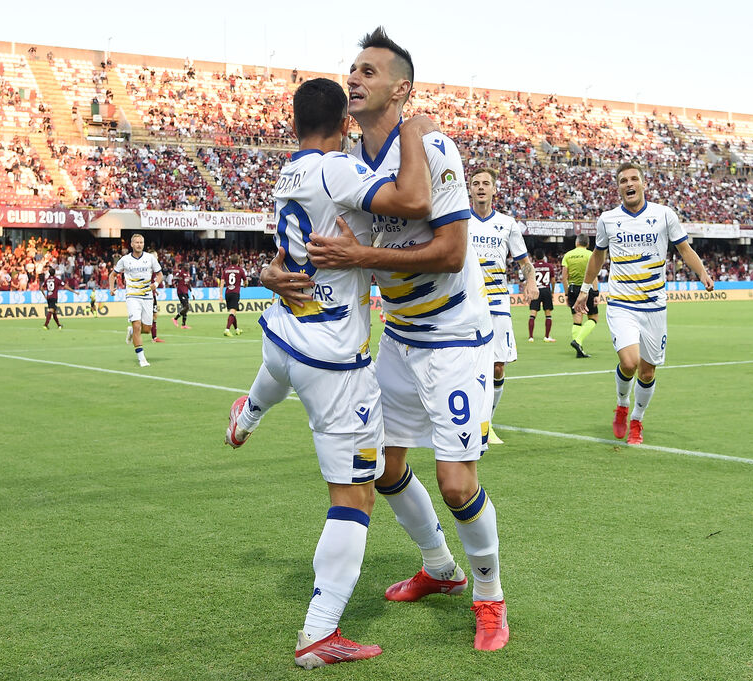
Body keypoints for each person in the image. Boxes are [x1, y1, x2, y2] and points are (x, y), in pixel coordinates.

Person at [274, 27, 508, 651]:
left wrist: (360, 254)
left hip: (455, 334)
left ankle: (491, 597)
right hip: (400, 336)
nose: (354, 78)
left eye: (369, 71)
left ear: (401, 89)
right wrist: (272, 272)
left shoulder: (432, 148)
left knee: (458, 483)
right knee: (384, 468)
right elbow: (304, 243)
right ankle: (441, 569)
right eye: (352, 69)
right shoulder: (347, 167)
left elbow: (454, 251)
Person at [226, 77, 435, 669]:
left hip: (285, 332)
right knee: (355, 495)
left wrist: (269, 274)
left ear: (292, 126)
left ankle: (251, 411)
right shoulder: (334, 170)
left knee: (273, 374)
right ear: (345, 124)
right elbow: (414, 200)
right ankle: (319, 633)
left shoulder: (288, 173)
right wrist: (415, 132)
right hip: (332, 358)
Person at [574, 162, 714, 445]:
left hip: (654, 307)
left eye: (634, 179)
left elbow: (684, 249)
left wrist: (701, 272)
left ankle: (637, 419)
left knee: (648, 371)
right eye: (623, 180)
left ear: (643, 183)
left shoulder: (664, 215)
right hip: (622, 303)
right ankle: (622, 404)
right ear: (618, 187)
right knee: (629, 362)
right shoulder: (608, 219)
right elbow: (597, 257)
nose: (629, 184)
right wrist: (585, 290)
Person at [467, 166, 537, 446]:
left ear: (495, 189)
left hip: (497, 302)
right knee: (467, 366)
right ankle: (467, 420)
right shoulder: (460, 221)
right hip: (467, 303)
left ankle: (488, 423)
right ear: (469, 189)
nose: (481, 187)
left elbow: (524, 263)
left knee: (497, 367)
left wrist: (530, 280)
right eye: (476, 183)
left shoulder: (508, 224)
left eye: (486, 183)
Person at [110, 233, 162, 367]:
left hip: (147, 296)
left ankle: (132, 331)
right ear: (132, 244)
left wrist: (155, 285)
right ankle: (142, 358)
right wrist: (112, 288)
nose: (139, 244)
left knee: (147, 329)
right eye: (137, 242)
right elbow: (113, 274)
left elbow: (160, 275)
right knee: (137, 324)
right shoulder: (125, 260)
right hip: (132, 296)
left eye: (141, 242)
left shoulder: (150, 258)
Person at [561, 234, 599, 358]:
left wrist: (566, 294)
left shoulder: (568, 255)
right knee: (593, 318)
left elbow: (564, 277)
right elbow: (593, 274)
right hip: (586, 289)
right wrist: (596, 293)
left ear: (576, 243)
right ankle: (578, 341)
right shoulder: (590, 255)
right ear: (587, 244)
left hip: (573, 289)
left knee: (577, 319)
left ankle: (579, 349)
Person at [528, 249, 557, 343]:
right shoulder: (549, 266)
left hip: (536, 291)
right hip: (546, 290)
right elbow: (553, 280)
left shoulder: (532, 267)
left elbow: (530, 280)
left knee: (533, 314)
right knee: (548, 314)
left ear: (535, 257)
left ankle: (531, 337)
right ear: (544, 256)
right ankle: (547, 337)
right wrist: (552, 292)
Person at [220, 254, 246, 336]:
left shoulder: (226, 270)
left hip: (227, 293)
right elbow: (245, 282)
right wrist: (245, 285)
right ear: (238, 261)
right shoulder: (240, 270)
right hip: (235, 293)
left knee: (233, 312)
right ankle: (227, 329)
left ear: (230, 261)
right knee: (232, 312)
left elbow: (222, 282)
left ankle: (237, 329)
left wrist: (220, 294)